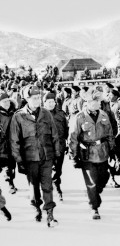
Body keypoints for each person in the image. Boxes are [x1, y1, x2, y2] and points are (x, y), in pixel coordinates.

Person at [10, 85, 60, 227]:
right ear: (27, 99)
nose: (38, 100)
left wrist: (56, 154)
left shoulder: (46, 114)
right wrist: (18, 160)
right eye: (34, 98)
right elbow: (14, 140)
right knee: (34, 186)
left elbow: (55, 135)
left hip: (46, 156)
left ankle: (50, 213)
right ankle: (37, 207)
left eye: (39, 97)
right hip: (30, 157)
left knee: (47, 185)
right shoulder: (18, 116)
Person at [69, 88, 115, 220]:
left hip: (103, 152)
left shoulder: (104, 115)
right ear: (87, 103)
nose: (96, 104)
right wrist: (73, 155)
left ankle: (95, 195)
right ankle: (94, 207)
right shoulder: (79, 117)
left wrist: (112, 151)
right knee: (92, 182)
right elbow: (73, 137)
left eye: (98, 102)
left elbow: (110, 134)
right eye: (93, 102)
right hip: (87, 153)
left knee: (104, 177)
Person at [43, 91, 69, 201]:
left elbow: (66, 130)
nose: (51, 104)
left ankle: (56, 182)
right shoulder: (40, 114)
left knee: (58, 170)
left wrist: (66, 143)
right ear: (44, 103)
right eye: (48, 102)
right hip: (46, 148)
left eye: (52, 102)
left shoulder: (61, 114)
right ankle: (52, 190)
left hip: (60, 146)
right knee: (47, 170)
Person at [0, 93, 17, 194]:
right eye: (4, 101)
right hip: (1, 144)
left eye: (7, 101)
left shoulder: (14, 112)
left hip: (12, 143)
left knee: (11, 165)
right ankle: (9, 182)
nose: (6, 103)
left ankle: (10, 182)